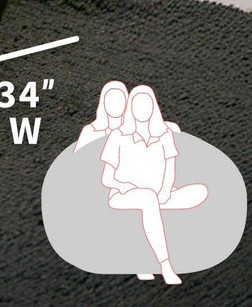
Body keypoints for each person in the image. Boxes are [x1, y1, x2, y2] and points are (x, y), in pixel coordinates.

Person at [101, 84, 208, 284]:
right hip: (124, 194)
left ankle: (142, 258)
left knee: (199, 191)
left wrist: (166, 190)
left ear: (153, 107)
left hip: (158, 194)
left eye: (147, 105)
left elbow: (170, 168)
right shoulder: (118, 136)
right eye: (138, 105)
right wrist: (125, 186)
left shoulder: (165, 135)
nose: (143, 110)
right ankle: (165, 264)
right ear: (131, 108)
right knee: (147, 199)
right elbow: (106, 178)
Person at [73, 80, 129, 152]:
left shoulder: (134, 137)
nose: (115, 105)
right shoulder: (90, 131)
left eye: (119, 101)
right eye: (110, 101)